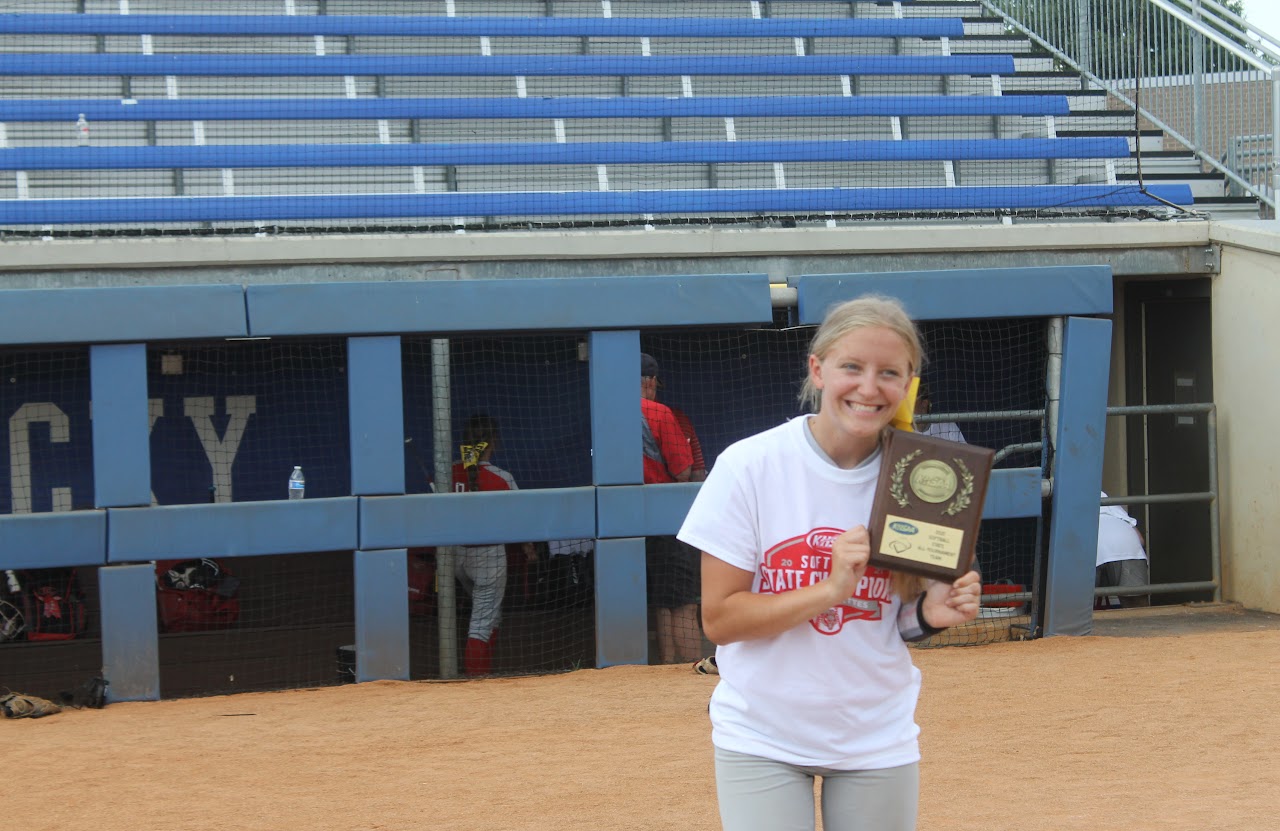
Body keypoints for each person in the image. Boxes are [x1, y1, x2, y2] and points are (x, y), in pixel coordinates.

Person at [677, 295, 982, 831]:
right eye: (852, 367)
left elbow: (896, 624)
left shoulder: (926, 478)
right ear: (818, 370)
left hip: (875, 735)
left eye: (890, 372)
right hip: (762, 735)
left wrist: (934, 612)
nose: (869, 388)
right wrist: (828, 590)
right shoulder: (750, 465)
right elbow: (720, 620)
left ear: (909, 384)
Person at [451, 414, 535, 676]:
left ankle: (484, 673)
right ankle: (477, 684)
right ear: (492, 443)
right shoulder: (501, 478)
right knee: (481, 623)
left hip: (456, 557)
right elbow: (520, 521)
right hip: (488, 557)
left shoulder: (449, 473)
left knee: (490, 615)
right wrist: (529, 550)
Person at [640, 352, 702, 665]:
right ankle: (693, 674)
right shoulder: (659, 412)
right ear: (649, 381)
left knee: (663, 601)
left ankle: (667, 664)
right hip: (667, 519)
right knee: (684, 603)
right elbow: (683, 471)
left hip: (629, 523)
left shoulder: (605, 411)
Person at [1096, 492, 1151, 608]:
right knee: (1137, 609)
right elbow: (1141, 540)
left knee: (1078, 609)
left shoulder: (1062, 496)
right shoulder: (1104, 498)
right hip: (1127, 545)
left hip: (1088, 546)